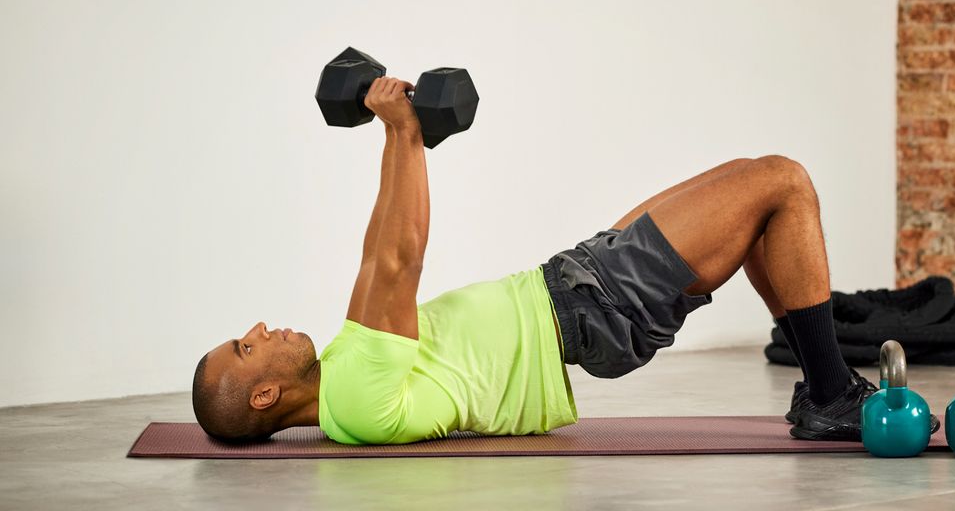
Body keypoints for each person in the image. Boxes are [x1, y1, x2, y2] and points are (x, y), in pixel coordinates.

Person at [192, 76, 885, 445]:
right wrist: (405, 132)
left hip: (576, 287)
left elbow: (377, 254)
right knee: (782, 180)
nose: (258, 328)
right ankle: (830, 396)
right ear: (263, 396)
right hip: (591, 308)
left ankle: (825, 393)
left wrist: (397, 139)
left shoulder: (345, 376)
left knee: (753, 187)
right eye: (245, 347)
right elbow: (400, 260)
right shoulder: (358, 397)